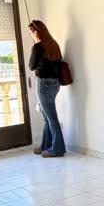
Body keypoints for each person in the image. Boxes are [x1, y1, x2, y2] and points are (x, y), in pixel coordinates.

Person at [27, 19, 66, 158]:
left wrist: (35, 47)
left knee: (51, 118)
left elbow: (31, 66)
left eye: (31, 32)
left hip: (43, 85)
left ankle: (57, 149)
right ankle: (46, 146)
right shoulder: (54, 44)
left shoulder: (38, 47)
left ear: (36, 32)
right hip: (55, 84)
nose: (30, 34)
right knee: (46, 117)